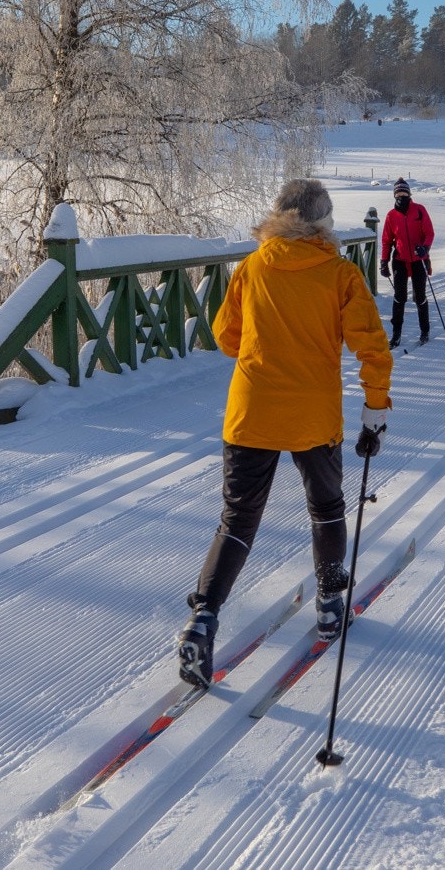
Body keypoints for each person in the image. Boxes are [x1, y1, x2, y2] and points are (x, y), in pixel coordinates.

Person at [176, 178, 393, 688]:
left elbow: (227, 338)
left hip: (250, 412)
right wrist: (375, 409)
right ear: (321, 223)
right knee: (326, 506)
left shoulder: (252, 267)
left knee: (238, 517)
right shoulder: (339, 274)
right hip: (313, 416)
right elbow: (373, 348)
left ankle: (202, 619)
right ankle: (330, 603)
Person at [379, 177, 435, 347]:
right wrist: (384, 261)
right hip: (400, 260)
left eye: (404, 192)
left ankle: (424, 331)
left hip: (419, 259)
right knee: (399, 297)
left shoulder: (419, 210)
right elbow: (386, 240)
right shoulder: (391, 215)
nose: (401, 196)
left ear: (409, 193)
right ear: (394, 195)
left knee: (420, 297)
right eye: (398, 193)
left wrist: (425, 248)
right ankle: (396, 335)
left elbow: (429, 233)